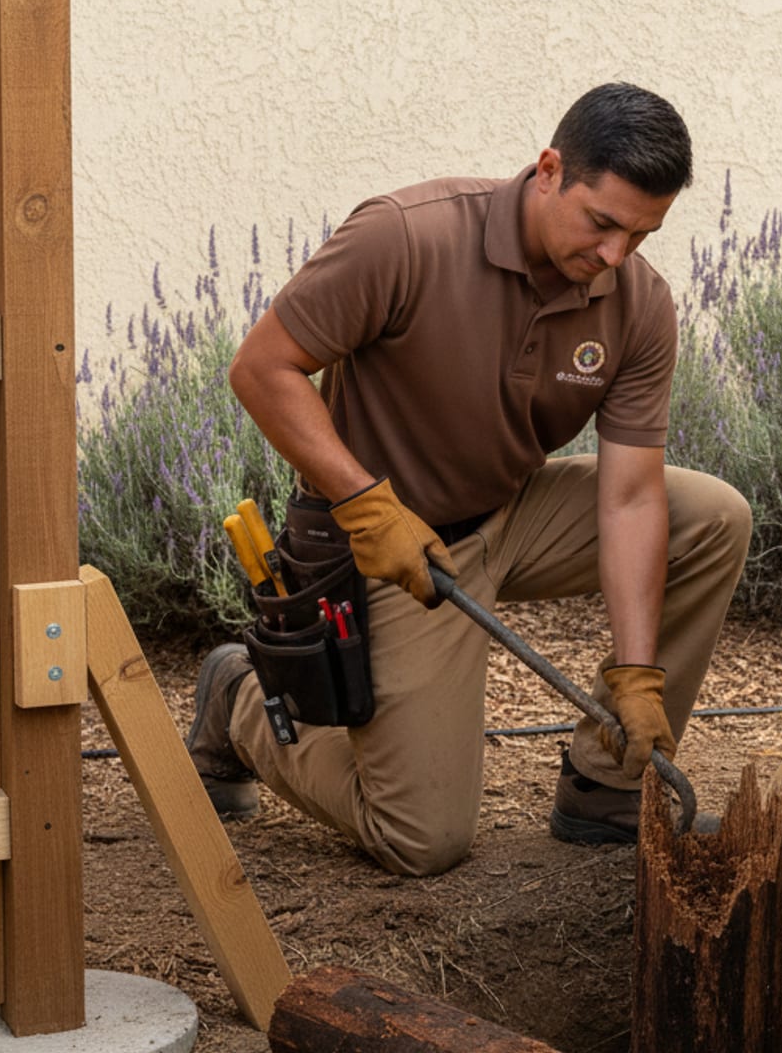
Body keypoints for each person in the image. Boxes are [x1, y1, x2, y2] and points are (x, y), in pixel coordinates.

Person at [184, 83, 752, 876]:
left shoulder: (638, 304)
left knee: (714, 516)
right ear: (550, 169)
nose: (616, 257)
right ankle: (238, 700)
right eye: (602, 224)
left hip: (509, 512)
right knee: (421, 839)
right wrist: (364, 502)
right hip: (383, 547)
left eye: (643, 235)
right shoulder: (406, 238)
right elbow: (262, 368)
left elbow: (629, 496)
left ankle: (607, 785)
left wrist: (636, 670)